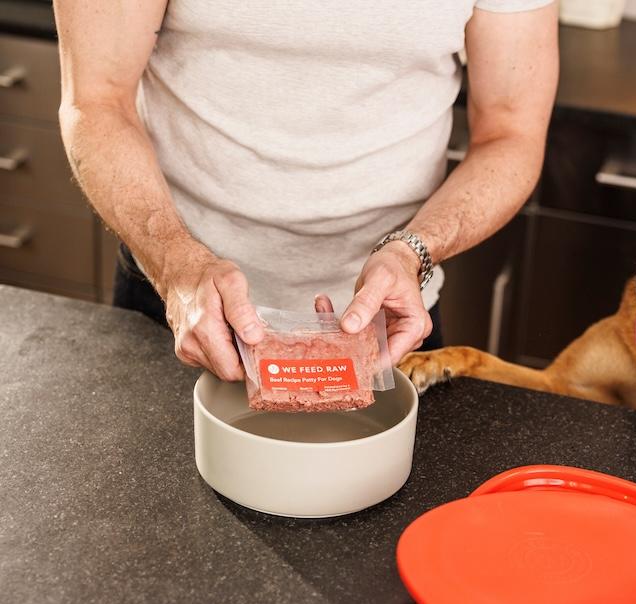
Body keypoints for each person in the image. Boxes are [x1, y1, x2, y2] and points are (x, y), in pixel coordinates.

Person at [55, 1, 558, 381]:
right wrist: (176, 267)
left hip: (392, 319)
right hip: (177, 301)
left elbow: (511, 133)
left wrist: (412, 253)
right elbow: (97, 101)